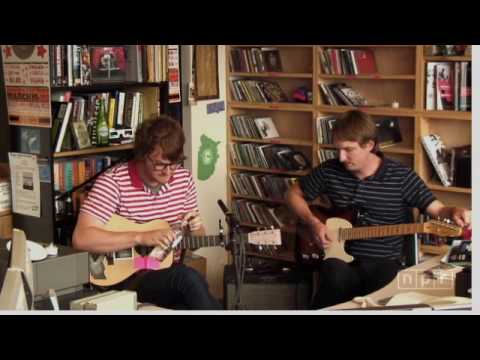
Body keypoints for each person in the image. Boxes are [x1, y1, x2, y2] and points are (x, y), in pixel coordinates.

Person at [286, 110, 471, 309]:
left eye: (348, 149)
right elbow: (292, 195)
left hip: (383, 261)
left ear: (369, 145)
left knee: (384, 292)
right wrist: (313, 223)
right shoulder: (329, 170)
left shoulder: (401, 176)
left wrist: (452, 212)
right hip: (338, 258)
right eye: (337, 149)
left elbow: (438, 209)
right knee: (334, 279)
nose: (341, 157)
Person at [73, 116, 221, 310]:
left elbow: (198, 239)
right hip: (126, 275)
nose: (169, 172)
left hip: (163, 272)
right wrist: (141, 237)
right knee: (188, 279)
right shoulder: (113, 182)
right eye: (160, 164)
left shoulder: (184, 181)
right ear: (143, 155)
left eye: (175, 163)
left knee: (195, 295)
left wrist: (195, 228)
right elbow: (81, 239)